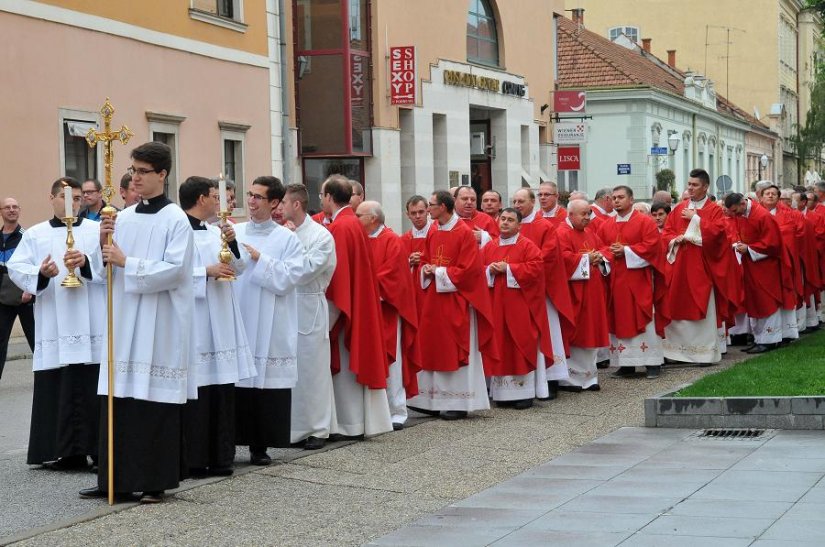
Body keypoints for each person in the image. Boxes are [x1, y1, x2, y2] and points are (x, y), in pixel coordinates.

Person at [82, 141, 194, 504]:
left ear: (162, 174)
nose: (136, 177)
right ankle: (113, 479)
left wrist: (127, 261)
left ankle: (153, 480)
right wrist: (103, 246)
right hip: (124, 318)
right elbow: (105, 272)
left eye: (144, 171)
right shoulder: (124, 217)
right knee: (120, 398)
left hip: (158, 322)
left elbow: (177, 271)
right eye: (134, 170)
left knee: (151, 402)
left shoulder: (176, 219)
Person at [8, 177, 104, 470]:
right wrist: (41, 273)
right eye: (66, 197)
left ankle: (98, 449)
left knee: (92, 384)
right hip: (55, 320)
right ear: (52, 199)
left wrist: (86, 263)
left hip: (91, 321)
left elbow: (108, 266)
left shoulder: (96, 230)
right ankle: (63, 451)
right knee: (58, 383)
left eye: (77, 198)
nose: (72, 203)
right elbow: (16, 267)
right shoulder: (36, 234)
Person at [179, 177, 255, 477]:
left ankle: (221, 456)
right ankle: (195, 459)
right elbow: (170, 272)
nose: (220, 201)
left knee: (221, 389)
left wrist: (232, 241)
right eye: (215, 196)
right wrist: (204, 272)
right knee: (198, 390)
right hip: (196, 320)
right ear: (200, 199)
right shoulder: (177, 232)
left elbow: (241, 267)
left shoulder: (215, 232)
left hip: (221, 319)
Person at [407, 190, 497, 419]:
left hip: (457, 300)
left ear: (444, 207)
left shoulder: (464, 233)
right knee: (433, 347)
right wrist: (425, 269)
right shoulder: (434, 230)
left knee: (453, 348)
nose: (428, 210)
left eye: (431, 205)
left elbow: (469, 272)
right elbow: (428, 258)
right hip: (434, 301)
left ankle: (458, 402)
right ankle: (430, 399)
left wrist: (437, 271)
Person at [234, 176, 305, 464]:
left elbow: (290, 277)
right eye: (249, 195)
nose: (251, 201)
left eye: (258, 197)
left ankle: (260, 445)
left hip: (271, 318)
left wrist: (259, 258)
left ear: (274, 203)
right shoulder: (233, 232)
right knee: (236, 382)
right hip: (239, 313)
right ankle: (230, 441)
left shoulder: (287, 238)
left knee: (265, 383)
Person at [322, 175, 393, 437]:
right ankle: (356, 421)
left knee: (346, 368)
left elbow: (337, 277)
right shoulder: (352, 222)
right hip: (358, 302)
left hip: (346, 308)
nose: (322, 200)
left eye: (322, 196)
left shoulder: (341, 227)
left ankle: (348, 423)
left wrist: (327, 318)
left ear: (329, 197)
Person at [661, 169, 738, 365]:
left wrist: (696, 219)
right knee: (676, 304)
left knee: (701, 304)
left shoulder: (714, 210)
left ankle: (703, 353)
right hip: (679, 265)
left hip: (701, 267)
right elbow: (666, 233)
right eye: (689, 184)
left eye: (695, 185)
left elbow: (720, 235)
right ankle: (676, 353)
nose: (690, 188)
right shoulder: (679, 209)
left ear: (705, 187)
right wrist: (674, 239)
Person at [281, 184, 337, 450]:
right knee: (289, 369)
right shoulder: (283, 232)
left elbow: (305, 270)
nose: (279, 208)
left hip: (308, 304)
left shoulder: (321, 236)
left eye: (283, 203)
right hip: (285, 305)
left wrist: (290, 245)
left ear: (296, 205)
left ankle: (317, 428)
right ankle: (291, 427)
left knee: (311, 370)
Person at [356, 200, 421, 430]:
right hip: (364, 311)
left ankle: (397, 410)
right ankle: (373, 410)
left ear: (373, 218)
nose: (356, 219)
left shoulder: (391, 240)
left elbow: (393, 275)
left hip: (386, 310)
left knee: (391, 360)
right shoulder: (360, 239)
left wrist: (364, 288)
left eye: (359, 215)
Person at [481, 208, 552, 409]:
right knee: (500, 344)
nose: (505, 223)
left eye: (510, 220)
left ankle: (524, 393)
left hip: (521, 307)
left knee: (521, 344)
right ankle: (502, 394)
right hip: (496, 306)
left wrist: (509, 269)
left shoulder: (528, 246)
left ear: (519, 225)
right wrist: (489, 271)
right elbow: (478, 271)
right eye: (502, 219)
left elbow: (537, 270)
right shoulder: (489, 247)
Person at [511, 188, 574, 399]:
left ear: (532, 203)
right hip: (516, 293)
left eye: (521, 201)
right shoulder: (509, 225)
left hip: (541, 291)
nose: (518, 204)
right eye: (515, 201)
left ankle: (552, 377)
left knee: (548, 333)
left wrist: (517, 269)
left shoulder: (544, 227)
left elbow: (546, 258)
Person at [598, 186, 665, 380]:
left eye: (621, 197)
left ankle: (652, 362)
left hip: (639, 280)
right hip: (615, 281)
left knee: (644, 318)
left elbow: (653, 247)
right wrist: (608, 254)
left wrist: (626, 251)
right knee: (619, 318)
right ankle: (626, 364)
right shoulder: (606, 225)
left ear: (631, 200)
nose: (616, 201)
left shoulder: (645, 222)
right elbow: (602, 247)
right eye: (614, 198)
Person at [555, 200, 610, 391]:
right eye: (583, 214)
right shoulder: (561, 233)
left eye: (589, 214)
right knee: (577, 333)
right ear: (570, 214)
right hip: (574, 293)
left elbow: (604, 249)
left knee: (591, 331)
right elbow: (562, 259)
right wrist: (588, 258)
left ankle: (590, 377)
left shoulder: (589, 232)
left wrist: (599, 257)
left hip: (592, 291)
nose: (587, 218)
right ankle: (571, 379)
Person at [725, 192, 784, 353]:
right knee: (755, 300)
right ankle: (759, 338)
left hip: (765, 266)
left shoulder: (763, 216)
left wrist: (749, 248)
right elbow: (740, 233)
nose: (735, 215)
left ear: (743, 204)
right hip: (751, 264)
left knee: (766, 300)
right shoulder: (742, 214)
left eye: (736, 211)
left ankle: (770, 339)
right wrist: (738, 243)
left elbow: (773, 244)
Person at [0, 197, 34, 380]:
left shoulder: (26, 236)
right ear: (1, 212)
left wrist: (29, 290)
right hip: (3, 300)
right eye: (7, 207)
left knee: (36, 340)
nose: (11, 210)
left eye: (15, 207)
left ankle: (47, 379)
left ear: (19, 210)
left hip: (25, 297)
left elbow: (34, 265)